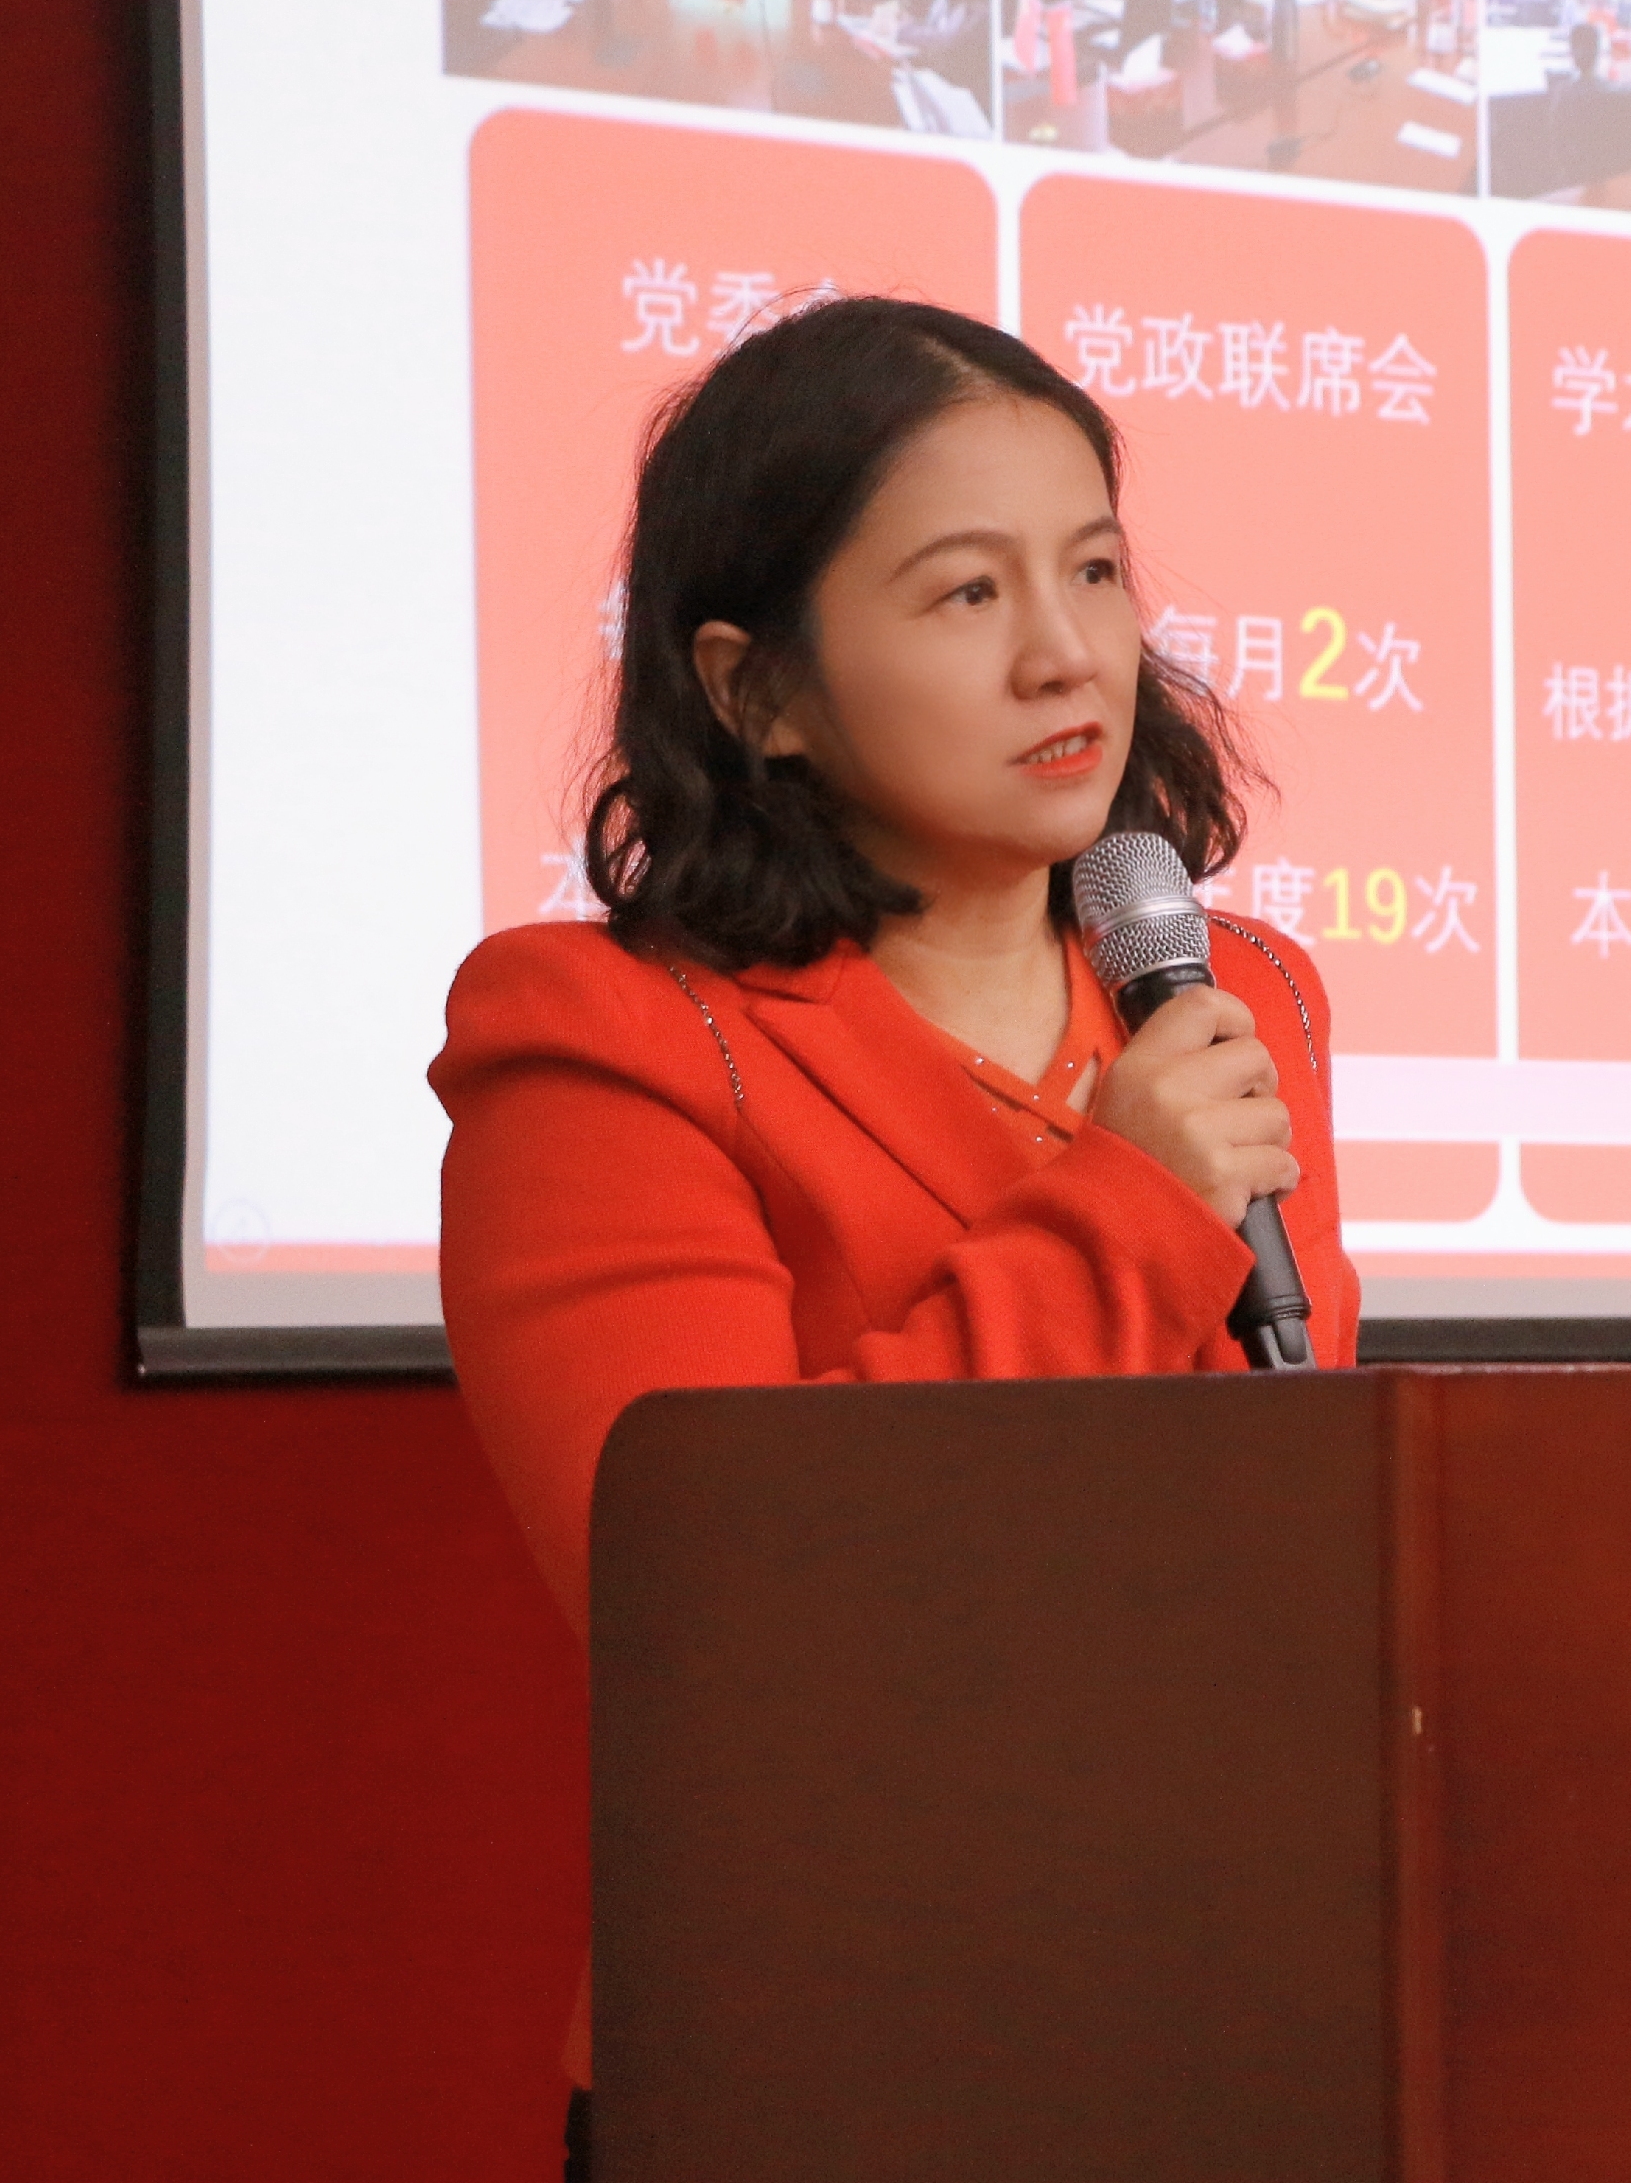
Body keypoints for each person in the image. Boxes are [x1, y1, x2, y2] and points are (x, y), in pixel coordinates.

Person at [434, 296, 1358, 1633]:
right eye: (971, 592)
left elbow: (1302, 1490)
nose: (1067, 658)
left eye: (1095, 572)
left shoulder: (1240, 993)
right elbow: (698, 1587)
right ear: (757, 692)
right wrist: (1132, 1215)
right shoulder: (608, 1038)